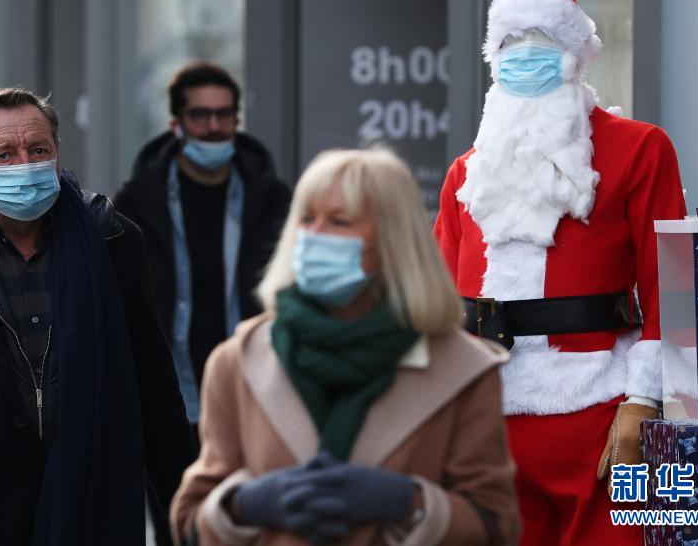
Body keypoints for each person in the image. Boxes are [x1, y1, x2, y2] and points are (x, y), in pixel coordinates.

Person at [0, 87, 197, 545]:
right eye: (4, 154)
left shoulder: (112, 243)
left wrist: (191, 514)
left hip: (87, 507)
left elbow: (154, 388)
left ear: (57, 155)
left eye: (38, 150)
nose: (24, 164)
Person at [433, 0, 687, 545]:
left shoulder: (640, 148)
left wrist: (645, 399)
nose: (525, 56)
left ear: (575, 54)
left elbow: (670, 284)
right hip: (485, 427)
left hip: (599, 412)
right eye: (511, 44)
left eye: (542, 42)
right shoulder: (465, 174)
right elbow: (435, 302)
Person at [171, 147, 521, 545]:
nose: (314, 235)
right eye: (306, 218)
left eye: (339, 221)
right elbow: (188, 519)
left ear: (392, 242)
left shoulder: (462, 371)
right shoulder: (239, 361)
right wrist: (245, 505)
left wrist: (407, 502)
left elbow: (497, 526)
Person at [114, 61, 291, 433]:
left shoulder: (273, 201)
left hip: (256, 391)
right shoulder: (137, 203)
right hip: (169, 397)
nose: (214, 127)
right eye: (200, 115)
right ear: (176, 124)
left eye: (224, 114)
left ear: (237, 119)